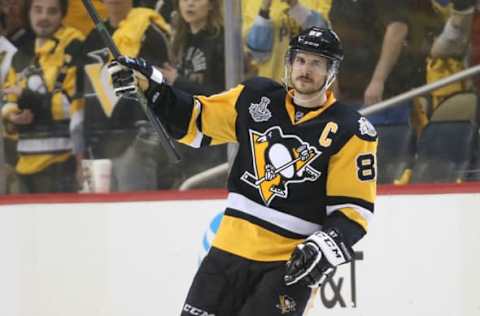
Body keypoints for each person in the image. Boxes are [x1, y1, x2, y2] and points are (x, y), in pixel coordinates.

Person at [108, 26, 377, 315]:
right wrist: (153, 87)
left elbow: (353, 212)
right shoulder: (256, 97)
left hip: (285, 265)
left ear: (331, 71)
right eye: (300, 60)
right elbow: (196, 120)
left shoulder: (351, 130)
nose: (305, 69)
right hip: (227, 253)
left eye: (316, 63)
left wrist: (322, 246)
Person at [81, 0, 172, 191]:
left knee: (137, 211)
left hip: (137, 140)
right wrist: (86, 142)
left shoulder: (151, 32)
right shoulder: (92, 37)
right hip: (99, 145)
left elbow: (163, 85)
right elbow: (87, 94)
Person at [1, 0, 85, 193]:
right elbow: (8, 100)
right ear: (28, 12)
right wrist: (12, 116)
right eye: (38, 10)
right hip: (23, 165)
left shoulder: (74, 46)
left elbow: (73, 105)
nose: (44, 17)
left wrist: (28, 97)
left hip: (63, 165)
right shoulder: (21, 55)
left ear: (63, 14)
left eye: (52, 11)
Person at [159, 0, 227, 187]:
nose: (190, 4)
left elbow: (222, 94)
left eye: (197, 0)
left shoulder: (221, 40)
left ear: (212, 5)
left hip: (212, 135)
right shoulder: (179, 39)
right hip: (185, 130)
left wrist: (178, 81)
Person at [329, 0, 415, 125]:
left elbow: (397, 29)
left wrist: (378, 80)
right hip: (347, 94)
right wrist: (334, 78)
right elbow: (336, 33)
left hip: (382, 96)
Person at [243, 0, 330, 83]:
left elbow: (323, 40)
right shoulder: (250, 3)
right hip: (270, 88)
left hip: (308, 88)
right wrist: (264, 10)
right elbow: (255, 56)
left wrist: (295, 6)